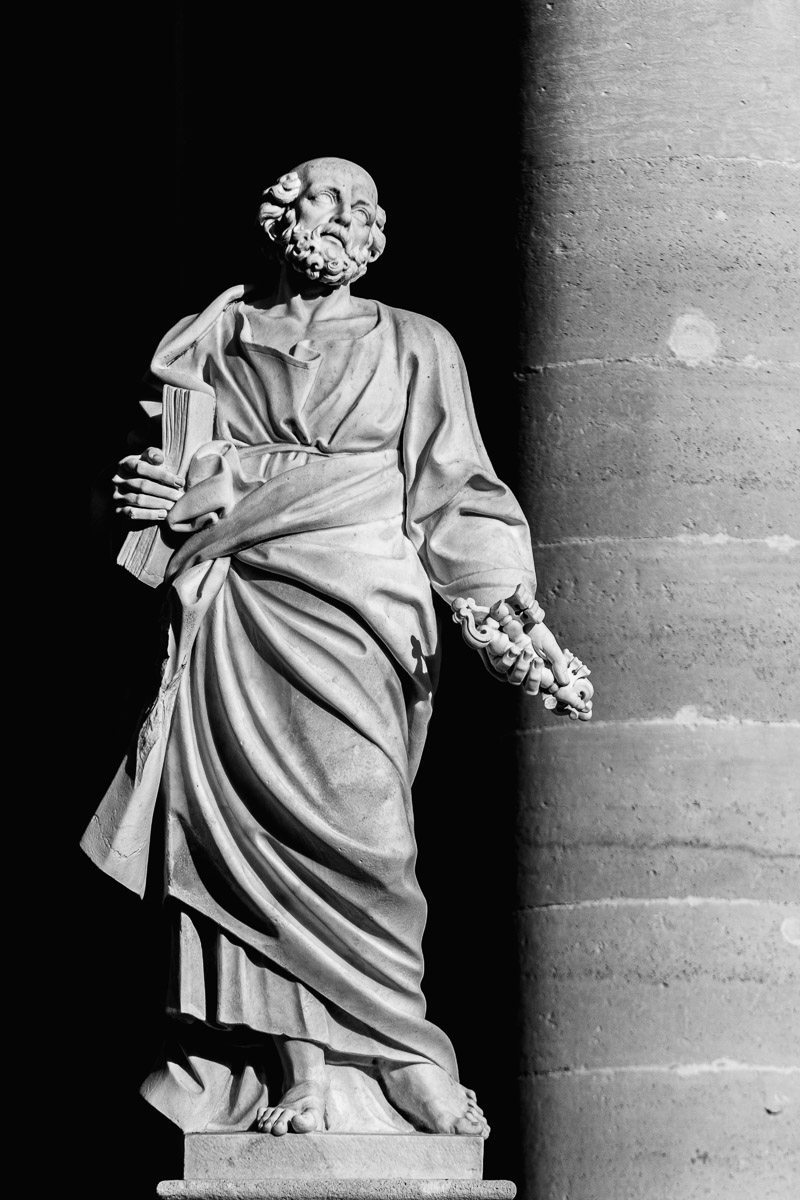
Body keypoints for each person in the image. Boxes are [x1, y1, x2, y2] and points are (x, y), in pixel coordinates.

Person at [82, 157, 590, 1140]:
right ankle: (300, 1068)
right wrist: (144, 492)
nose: (346, 215)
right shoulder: (216, 338)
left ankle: (399, 1045)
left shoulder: (415, 343)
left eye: (362, 204)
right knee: (247, 842)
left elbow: (456, 484)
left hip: (364, 607)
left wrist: (501, 616)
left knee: (370, 834)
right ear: (281, 219)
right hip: (242, 607)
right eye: (326, 197)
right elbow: (165, 465)